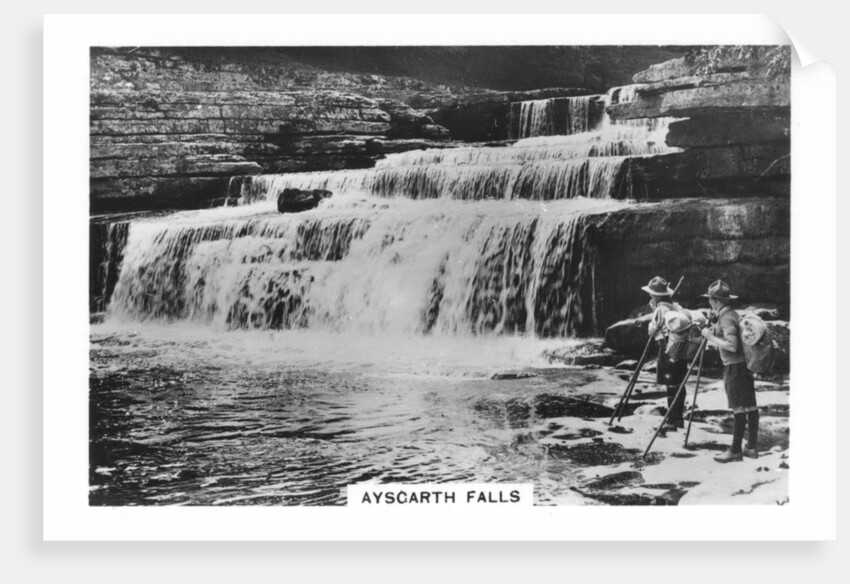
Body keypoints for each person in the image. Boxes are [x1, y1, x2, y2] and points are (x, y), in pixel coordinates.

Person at [700, 280, 759, 462]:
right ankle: (751, 447)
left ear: (714, 300)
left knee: (738, 407)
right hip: (744, 366)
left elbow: (732, 346)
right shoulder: (732, 313)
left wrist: (710, 337)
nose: (709, 302)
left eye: (710, 299)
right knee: (750, 405)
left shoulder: (725, 318)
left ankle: (735, 451)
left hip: (734, 366)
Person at [642, 276, 687, 431]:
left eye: (651, 294)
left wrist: (655, 315)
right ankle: (679, 418)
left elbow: (652, 330)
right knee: (679, 382)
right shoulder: (677, 307)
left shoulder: (660, 309)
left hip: (667, 348)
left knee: (670, 384)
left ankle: (671, 420)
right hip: (680, 349)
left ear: (655, 295)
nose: (650, 296)